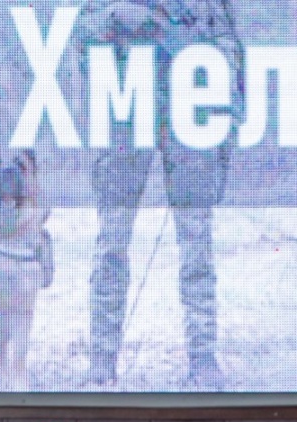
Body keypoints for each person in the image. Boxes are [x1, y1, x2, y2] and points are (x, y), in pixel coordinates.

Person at [78, 0, 243, 390]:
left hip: (190, 111)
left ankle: (203, 360)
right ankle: (102, 361)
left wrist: (226, 121)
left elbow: (229, 47)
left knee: (197, 246)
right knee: (112, 243)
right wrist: (122, 19)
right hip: (126, 111)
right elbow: (83, 32)